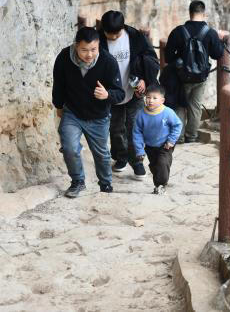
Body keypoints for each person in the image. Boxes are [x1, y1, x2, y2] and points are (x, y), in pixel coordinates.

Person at [52, 27, 125, 197]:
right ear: (76, 45)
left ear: (99, 45)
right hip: (73, 112)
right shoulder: (64, 57)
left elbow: (119, 93)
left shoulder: (108, 61)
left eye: (93, 49)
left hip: (98, 116)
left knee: (101, 154)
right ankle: (77, 182)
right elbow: (58, 84)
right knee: (69, 147)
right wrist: (58, 106)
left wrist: (107, 94)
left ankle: (105, 185)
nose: (89, 55)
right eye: (84, 50)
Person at [98, 10, 160, 179]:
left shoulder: (135, 37)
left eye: (115, 34)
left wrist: (144, 80)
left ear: (122, 28)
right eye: (108, 34)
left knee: (135, 128)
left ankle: (137, 162)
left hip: (134, 91)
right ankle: (121, 157)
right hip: (111, 93)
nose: (111, 37)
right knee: (116, 128)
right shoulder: (98, 40)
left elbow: (151, 59)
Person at [164, 0, 224, 143]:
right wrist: (220, 41)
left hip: (181, 77)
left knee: (179, 105)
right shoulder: (210, 33)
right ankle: (191, 136)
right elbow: (218, 54)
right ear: (204, 14)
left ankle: (177, 137)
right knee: (195, 106)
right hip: (200, 78)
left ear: (189, 13)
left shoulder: (178, 31)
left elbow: (168, 57)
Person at [133, 84, 182, 195]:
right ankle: (158, 184)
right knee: (154, 165)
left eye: (155, 98)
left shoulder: (168, 112)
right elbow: (137, 133)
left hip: (165, 145)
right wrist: (139, 150)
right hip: (150, 146)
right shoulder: (141, 114)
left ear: (162, 100)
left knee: (163, 163)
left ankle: (161, 185)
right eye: (148, 97)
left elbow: (177, 125)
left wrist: (171, 140)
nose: (151, 100)